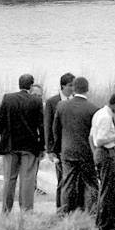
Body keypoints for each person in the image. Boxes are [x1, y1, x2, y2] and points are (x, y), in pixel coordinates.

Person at [0, 73, 45, 213]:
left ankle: (6, 211)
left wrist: (4, 136)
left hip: (10, 145)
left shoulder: (8, 98)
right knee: (27, 181)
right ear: (31, 86)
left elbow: (0, 121)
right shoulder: (36, 101)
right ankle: (26, 212)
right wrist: (42, 146)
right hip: (29, 146)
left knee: (9, 180)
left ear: (19, 84)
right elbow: (41, 126)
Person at [52, 76, 99, 214]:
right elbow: (95, 134)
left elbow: (56, 130)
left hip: (67, 151)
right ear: (87, 89)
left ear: (74, 88)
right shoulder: (93, 109)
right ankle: (91, 214)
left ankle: (66, 214)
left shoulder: (61, 106)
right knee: (91, 184)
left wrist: (57, 149)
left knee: (67, 183)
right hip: (86, 152)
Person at [90, 93, 115, 230]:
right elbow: (99, 140)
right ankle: (105, 225)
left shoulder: (99, 113)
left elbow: (92, 136)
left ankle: (102, 222)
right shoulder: (105, 117)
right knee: (108, 191)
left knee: (106, 189)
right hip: (105, 153)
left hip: (102, 153)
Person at [44, 73, 75, 209]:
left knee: (75, 181)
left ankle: (74, 210)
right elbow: (48, 127)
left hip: (75, 147)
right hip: (59, 148)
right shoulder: (52, 102)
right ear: (63, 86)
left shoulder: (76, 100)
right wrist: (50, 150)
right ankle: (60, 209)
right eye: (70, 85)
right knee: (62, 180)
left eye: (74, 85)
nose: (73, 88)